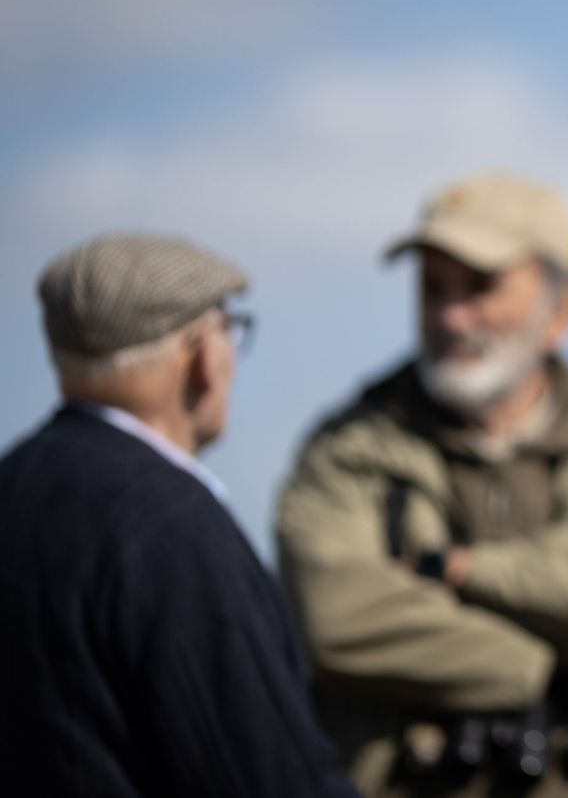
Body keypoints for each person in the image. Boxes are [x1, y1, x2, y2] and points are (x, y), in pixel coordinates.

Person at [276, 174, 568, 798]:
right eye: (432, 287)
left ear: (563, 311)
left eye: (481, 287)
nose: (451, 316)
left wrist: (458, 572)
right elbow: (335, 617)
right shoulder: (347, 451)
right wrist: (540, 662)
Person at [0, 234, 355, 797]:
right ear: (200, 358)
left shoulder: (14, 485)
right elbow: (265, 774)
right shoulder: (171, 526)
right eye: (228, 330)